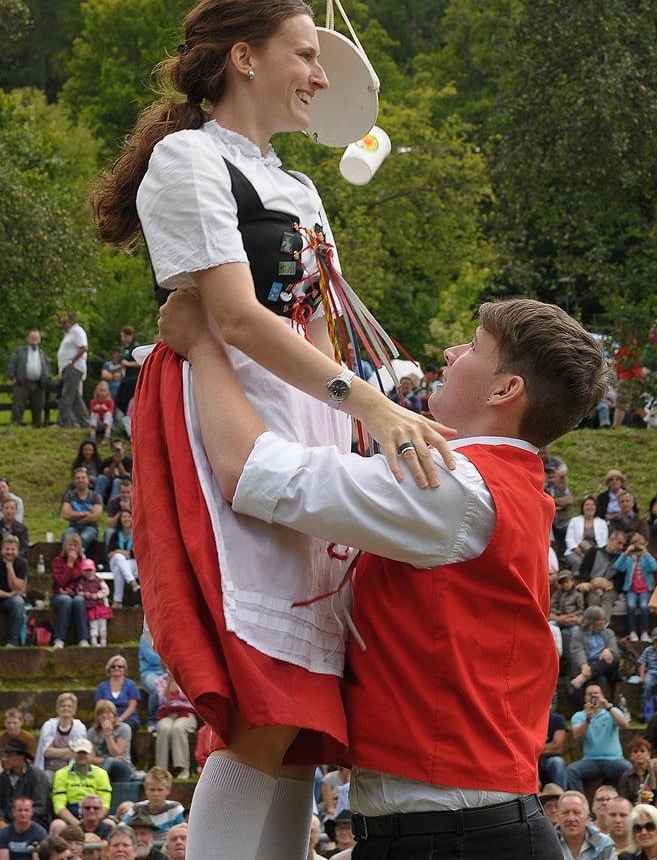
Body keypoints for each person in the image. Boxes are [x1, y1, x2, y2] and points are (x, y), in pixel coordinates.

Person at [90, 0, 455, 860]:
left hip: (310, 417)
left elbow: (320, 320)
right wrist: (361, 398)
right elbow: (238, 316)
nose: (320, 78)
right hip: (230, 410)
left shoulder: (295, 183)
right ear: (243, 58)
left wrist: (365, 417)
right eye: (305, 54)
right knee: (267, 696)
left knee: (301, 721)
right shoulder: (188, 161)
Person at [157, 291, 607, 860]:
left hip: (454, 839)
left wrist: (203, 344)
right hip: (454, 831)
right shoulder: (489, 486)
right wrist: (315, 320)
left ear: (504, 390)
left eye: (471, 346)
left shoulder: (455, 489)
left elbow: (247, 469)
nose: (450, 352)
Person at [567, 684, 631, 792]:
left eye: (596, 693)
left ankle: (625, 803)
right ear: (585, 698)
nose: (593, 696)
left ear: (602, 696)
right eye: (590, 694)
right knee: (571, 770)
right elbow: (577, 736)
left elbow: (625, 725)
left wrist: (609, 708)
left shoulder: (612, 711)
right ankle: (580, 803)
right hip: (590, 760)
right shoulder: (579, 716)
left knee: (628, 769)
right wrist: (588, 718)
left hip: (614, 759)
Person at [50, 740, 111, 834]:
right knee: (57, 825)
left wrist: (92, 821)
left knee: (110, 823)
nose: (82, 755)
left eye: (85, 753)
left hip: (94, 814)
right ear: (73, 754)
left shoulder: (101, 774)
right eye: (79, 752)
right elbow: (59, 805)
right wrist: (76, 823)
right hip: (70, 816)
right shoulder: (61, 774)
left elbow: (105, 804)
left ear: (91, 754)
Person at [613, 535, 657, 642]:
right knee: (630, 605)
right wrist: (625, 553)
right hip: (631, 590)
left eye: (640, 547)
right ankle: (632, 631)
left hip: (644, 589)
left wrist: (646, 553)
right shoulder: (629, 559)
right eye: (636, 547)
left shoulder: (646, 559)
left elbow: (654, 567)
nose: (637, 550)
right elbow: (617, 566)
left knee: (644, 606)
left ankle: (644, 632)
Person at [34, 694, 87, 783]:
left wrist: (55, 751)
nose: (66, 708)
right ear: (57, 709)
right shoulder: (49, 725)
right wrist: (68, 750)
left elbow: (77, 753)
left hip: (70, 769)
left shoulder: (79, 727)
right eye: (62, 706)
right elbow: (46, 752)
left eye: (69, 706)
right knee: (45, 779)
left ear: (74, 710)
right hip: (49, 769)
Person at [154, 673, 197, 781]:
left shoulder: (189, 677)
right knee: (164, 728)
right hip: (167, 714)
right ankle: (161, 771)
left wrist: (178, 680)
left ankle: (183, 768)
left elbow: (190, 698)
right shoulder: (160, 680)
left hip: (187, 713)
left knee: (178, 728)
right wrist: (170, 682)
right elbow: (164, 700)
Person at [568, 606, 620, 694]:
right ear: (590, 621)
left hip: (604, 664)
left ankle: (583, 677)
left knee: (612, 656)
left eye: (603, 619)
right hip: (587, 666)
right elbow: (577, 651)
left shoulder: (609, 633)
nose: (602, 622)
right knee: (601, 680)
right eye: (599, 620)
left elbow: (614, 647)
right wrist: (584, 666)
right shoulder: (578, 634)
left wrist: (609, 650)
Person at [0, 741, 51, 829]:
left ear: (21, 757)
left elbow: (40, 807)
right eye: (4, 756)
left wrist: (19, 819)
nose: (5, 759)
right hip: (6, 823)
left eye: (9, 756)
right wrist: (1, 819)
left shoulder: (37, 776)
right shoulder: (3, 777)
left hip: (34, 821)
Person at [120, 767, 184, 836]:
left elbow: (185, 832)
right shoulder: (137, 808)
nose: (156, 794)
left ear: (168, 790)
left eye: (160, 790)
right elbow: (121, 829)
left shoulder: (175, 809)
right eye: (152, 790)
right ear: (145, 790)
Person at [50, 537, 90, 649]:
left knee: (79, 600)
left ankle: (83, 638)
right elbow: (61, 581)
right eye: (70, 545)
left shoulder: (82, 562)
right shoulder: (57, 561)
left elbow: (82, 579)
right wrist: (70, 564)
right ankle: (59, 638)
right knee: (66, 600)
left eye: (75, 545)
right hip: (59, 594)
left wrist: (73, 590)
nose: (72, 548)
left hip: (76, 593)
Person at [93, 657, 141, 750]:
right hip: (106, 717)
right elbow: (100, 706)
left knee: (126, 728)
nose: (116, 668)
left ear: (125, 669)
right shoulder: (102, 686)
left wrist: (119, 719)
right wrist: (109, 719)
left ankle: (127, 757)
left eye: (120, 666)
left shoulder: (131, 685)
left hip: (128, 717)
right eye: (113, 666)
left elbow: (132, 707)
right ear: (109, 669)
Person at [7, 329, 51, 429]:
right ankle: (14, 428)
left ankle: (36, 430)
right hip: (22, 383)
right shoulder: (19, 351)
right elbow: (11, 365)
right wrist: (13, 377)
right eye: (32, 337)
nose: (34, 339)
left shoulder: (42, 354)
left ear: (39, 340)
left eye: (36, 338)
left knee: (38, 408)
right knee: (18, 407)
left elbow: (47, 369)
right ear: (27, 339)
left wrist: (47, 378)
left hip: (39, 385)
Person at [555, 791, 617, 859]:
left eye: (577, 813)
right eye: (565, 813)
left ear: (587, 818)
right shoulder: (547, 845)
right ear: (557, 817)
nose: (571, 818)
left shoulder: (604, 845)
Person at [86, 702, 135, 785]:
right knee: (107, 762)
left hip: (122, 766)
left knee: (111, 762)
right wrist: (104, 760)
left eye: (108, 712)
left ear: (114, 715)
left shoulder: (124, 728)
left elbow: (116, 753)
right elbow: (91, 758)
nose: (105, 716)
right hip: (100, 766)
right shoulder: (92, 732)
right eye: (101, 713)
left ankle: (98, 782)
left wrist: (108, 734)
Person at [56, 314, 88, 430]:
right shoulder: (68, 334)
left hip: (74, 368)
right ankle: (84, 420)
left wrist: (72, 361)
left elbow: (83, 347)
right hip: (67, 368)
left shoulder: (77, 331)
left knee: (66, 395)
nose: (62, 325)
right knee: (74, 397)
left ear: (70, 321)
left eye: (64, 322)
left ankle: (63, 422)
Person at [60, 469, 103, 555]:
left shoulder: (95, 496)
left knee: (84, 538)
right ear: (74, 481)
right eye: (78, 478)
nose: (80, 480)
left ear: (88, 480)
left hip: (91, 528)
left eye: (83, 478)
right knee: (66, 536)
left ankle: (75, 560)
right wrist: (83, 514)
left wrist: (76, 518)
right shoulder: (69, 495)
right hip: (73, 527)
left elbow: (95, 516)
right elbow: (65, 514)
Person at [565, 496, 609, 575]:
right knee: (579, 562)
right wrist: (578, 550)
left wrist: (591, 554)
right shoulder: (574, 521)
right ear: (583, 507)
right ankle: (578, 580)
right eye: (587, 505)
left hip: (594, 552)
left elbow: (603, 542)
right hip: (576, 551)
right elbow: (569, 539)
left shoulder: (602, 523)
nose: (590, 507)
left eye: (592, 505)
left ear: (596, 508)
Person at [106, 512, 139, 609]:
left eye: (129, 517)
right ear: (120, 519)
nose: (126, 519)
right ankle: (132, 582)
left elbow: (137, 554)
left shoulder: (136, 534)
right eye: (124, 517)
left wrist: (119, 552)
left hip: (131, 564)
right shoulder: (115, 534)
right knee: (119, 558)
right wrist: (125, 554)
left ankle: (117, 601)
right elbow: (110, 553)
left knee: (118, 569)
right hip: (115, 561)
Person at [617, 737, 657, 806]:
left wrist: (651, 771)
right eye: (635, 751)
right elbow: (624, 799)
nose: (639, 754)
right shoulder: (626, 776)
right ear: (630, 756)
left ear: (649, 754)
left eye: (642, 751)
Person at [76, 560, 112, 647]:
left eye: (90, 570)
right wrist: (86, 594)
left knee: (102, 624)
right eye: (86, 570)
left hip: (100, 606)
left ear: (94, 570)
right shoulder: (81, 582)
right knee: (93, 625)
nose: (88, 572)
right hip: (91, 607)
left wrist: (97, 595)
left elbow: (106, 590)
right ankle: (94, 641)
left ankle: (103, 640)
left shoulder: (99, 580)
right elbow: (78, 591)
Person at [0, 536, 27, 648]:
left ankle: (13, 641)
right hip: (4, 595)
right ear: (1, 549)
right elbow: (12, 592)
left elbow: (16, 588)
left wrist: (10, 568)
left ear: (17, 550)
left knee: (18, 602)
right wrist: (8, 594)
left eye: (13, 549)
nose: (10, 552)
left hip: (9, 600)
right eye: (7, 549)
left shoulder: (22, 563)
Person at [138, 633, 165, 735]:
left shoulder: (166, 634)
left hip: (167, 671)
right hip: (150, 672)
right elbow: (152, 659)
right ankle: (152, 720)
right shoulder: (145, 637)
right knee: (157, 688)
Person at [539, 708, 569, 791]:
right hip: (530, 760)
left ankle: (561, 798)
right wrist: (549, 745)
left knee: (558, 762)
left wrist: (537, 747)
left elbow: (558, 746)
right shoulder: (528, 718)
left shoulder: (557, 719)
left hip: (548, 758)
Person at [116, 328, 140, 416]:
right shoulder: (123, 348)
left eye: (125, 336)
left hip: (133, 377)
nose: (123, 338)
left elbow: (140, 362)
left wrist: (128, 364)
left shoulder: (135, 347)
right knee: (121, 399)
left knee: (130, 399)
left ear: (131, 336)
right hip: (125, 377)